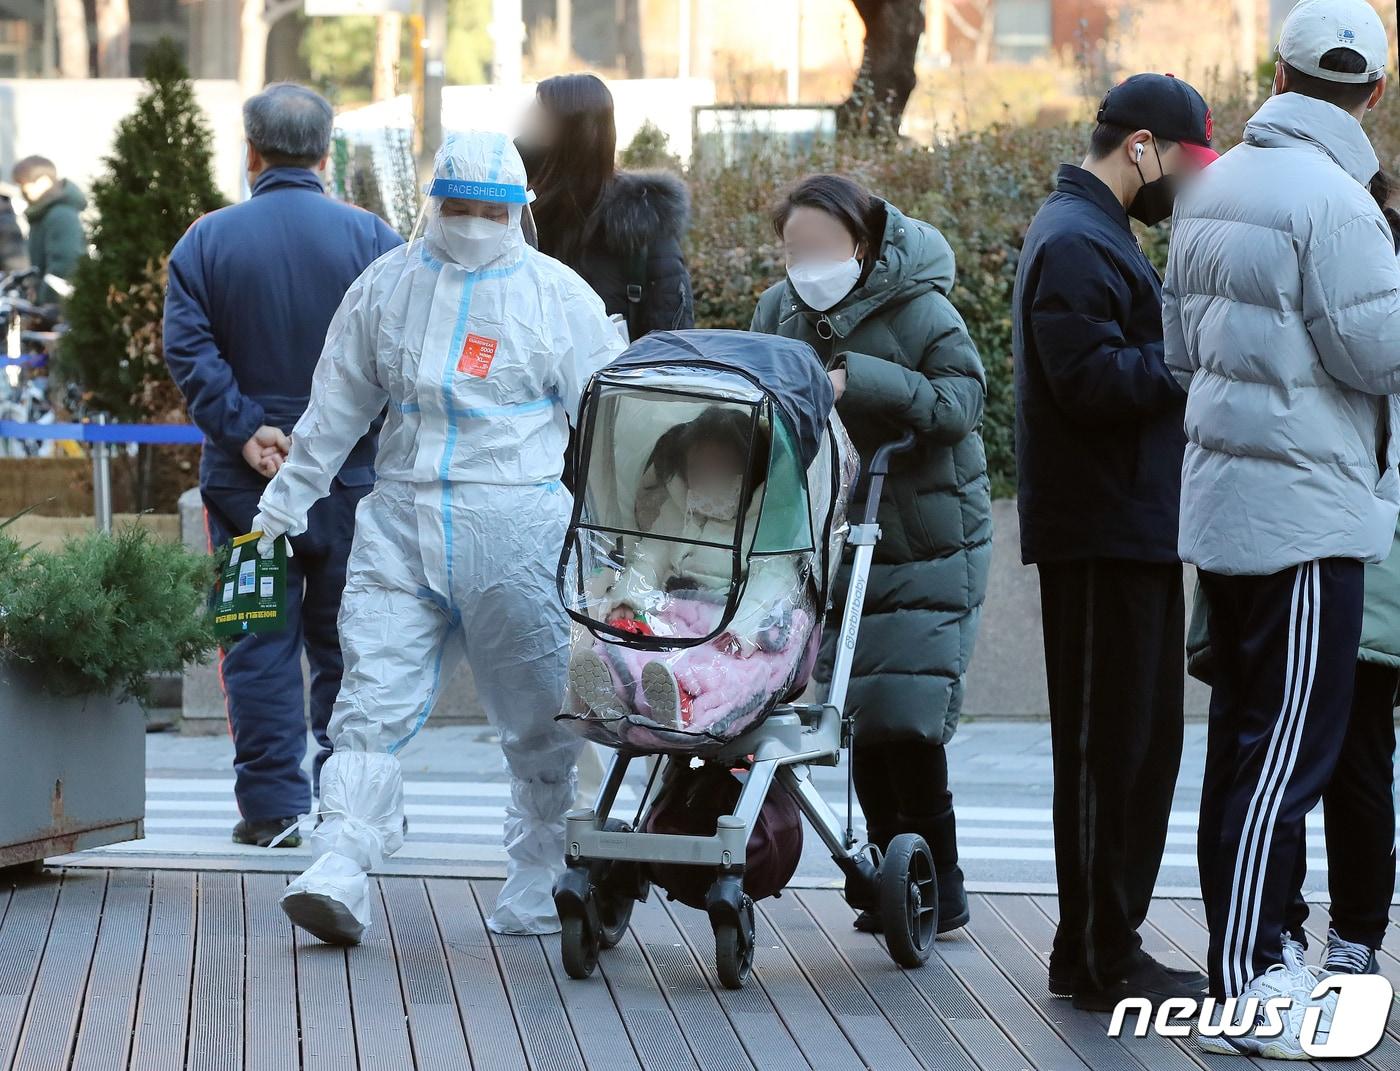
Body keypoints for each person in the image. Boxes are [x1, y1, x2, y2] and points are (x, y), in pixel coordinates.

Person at [254, 130, 625, 944]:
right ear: (433, 206)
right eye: (456, 208)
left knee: (539, 719)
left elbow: (607, 422)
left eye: (489, 210)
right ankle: (340, 860)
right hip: (401, 525)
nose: (471, 223)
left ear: (519, 211)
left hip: (517, 529)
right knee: (367, 700)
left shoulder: (556, 296)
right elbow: (335, 409)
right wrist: (284, 506)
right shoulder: (385, 287)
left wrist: (619, 540)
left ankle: (539, 876)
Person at [1164, 0, 1400, 1054]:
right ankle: (1250, 981)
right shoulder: (1341, 204)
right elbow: (1379, 360)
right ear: (1374, 93)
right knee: (1287, 758)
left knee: (1241, 751)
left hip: (1223, 509)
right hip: (1308, 518)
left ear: (1278, 73)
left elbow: (1176, 351)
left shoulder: (1210, 185)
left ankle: (1249, 963)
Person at [1012, 72, 1217, 1010]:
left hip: (1123, 528)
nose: (1188, 181)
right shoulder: (1077, 240)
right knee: (1108, 752)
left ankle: (1101, 945)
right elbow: (1089, 380)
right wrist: (1188, 353)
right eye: (1184, 159)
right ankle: (1098, 954)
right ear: (1141, 147)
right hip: (1100, 532)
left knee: (1137, 748)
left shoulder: (1094, 234)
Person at [750, 174, 989, 939]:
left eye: (822, 246)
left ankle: (937, 887)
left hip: (921, 531)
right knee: (851, 708)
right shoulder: (777, 311)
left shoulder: (922, 308)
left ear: (861, 244)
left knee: (905, 714)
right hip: (827, 530)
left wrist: (860, 380)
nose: (807, 261)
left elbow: (960, 404)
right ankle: (887, 880)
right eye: (795, 247)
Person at [164, 84, 402, 848]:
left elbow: (189, 352)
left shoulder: (204, 241)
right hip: (352, 485)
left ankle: (270, 808)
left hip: (243, 491)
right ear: (328, 155)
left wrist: (246, 432)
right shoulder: (374, 241)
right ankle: (350, 802)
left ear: (251, 152)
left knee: (254, 642)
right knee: (351, 648)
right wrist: (329, 439)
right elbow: (395, 359)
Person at [569, 406, 810, 732]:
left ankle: (681, 703)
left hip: (726, 621)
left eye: (721, 468)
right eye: (700, 469)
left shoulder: (769, 524)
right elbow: (649, 558)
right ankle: (612, 690)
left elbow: (772, 581)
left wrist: (743, 630)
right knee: (629, 644)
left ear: (749, 471)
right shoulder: (679, 509)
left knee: (735, 671)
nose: (709, 479)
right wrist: (628, 599)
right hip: (675, 616)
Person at [515, 72, 693, 339]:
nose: (525, 124)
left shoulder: (639, 221)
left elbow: (670, 340)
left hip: (612, 377)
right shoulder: (510, 207)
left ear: (572, 131)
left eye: (539, 116)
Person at [12, 156, 86, 302]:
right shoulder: (44, 214)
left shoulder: (61, 215)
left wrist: (43, 302)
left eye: (24, 184)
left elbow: (65, 265)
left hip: (57, 309)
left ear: (43, 181)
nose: (22, 191)